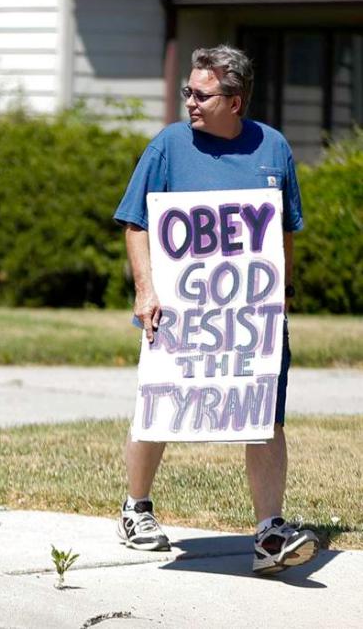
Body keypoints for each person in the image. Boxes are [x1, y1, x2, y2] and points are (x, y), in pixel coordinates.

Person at [113, 45, 319, 575]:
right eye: (188, 91)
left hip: (252, 314)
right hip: (178, 310)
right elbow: (136, 222)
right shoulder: (168, 146)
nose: (190, 102)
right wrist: (146, 289)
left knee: (264, 415)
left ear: (235, 99)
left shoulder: (272, 147)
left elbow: (283, 231)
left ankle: (270, 531)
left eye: (201, 94)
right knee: (160, 403)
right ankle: (136, 508)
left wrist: (282, 293)